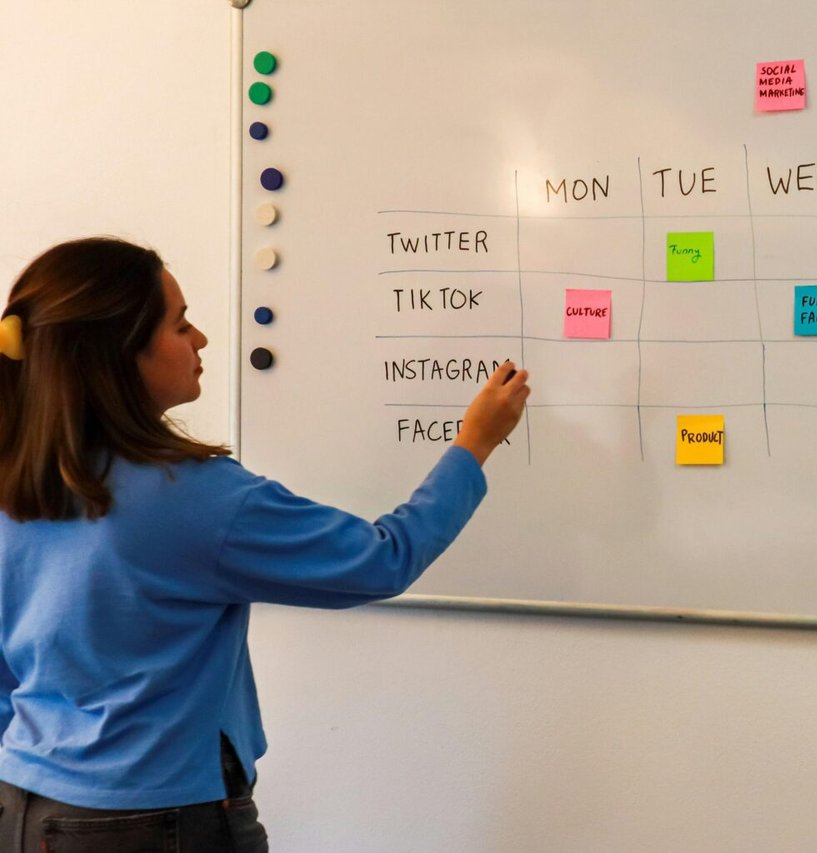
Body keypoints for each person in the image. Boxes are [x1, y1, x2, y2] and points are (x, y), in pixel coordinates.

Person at [0, 237, 529, 852]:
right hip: (157, 819)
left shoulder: (15, 481)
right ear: (121, 354)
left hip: (22, 803)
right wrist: (475, 444)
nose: (200, 340)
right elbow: (382, 560)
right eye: (180, 324)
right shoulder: (189, 496)